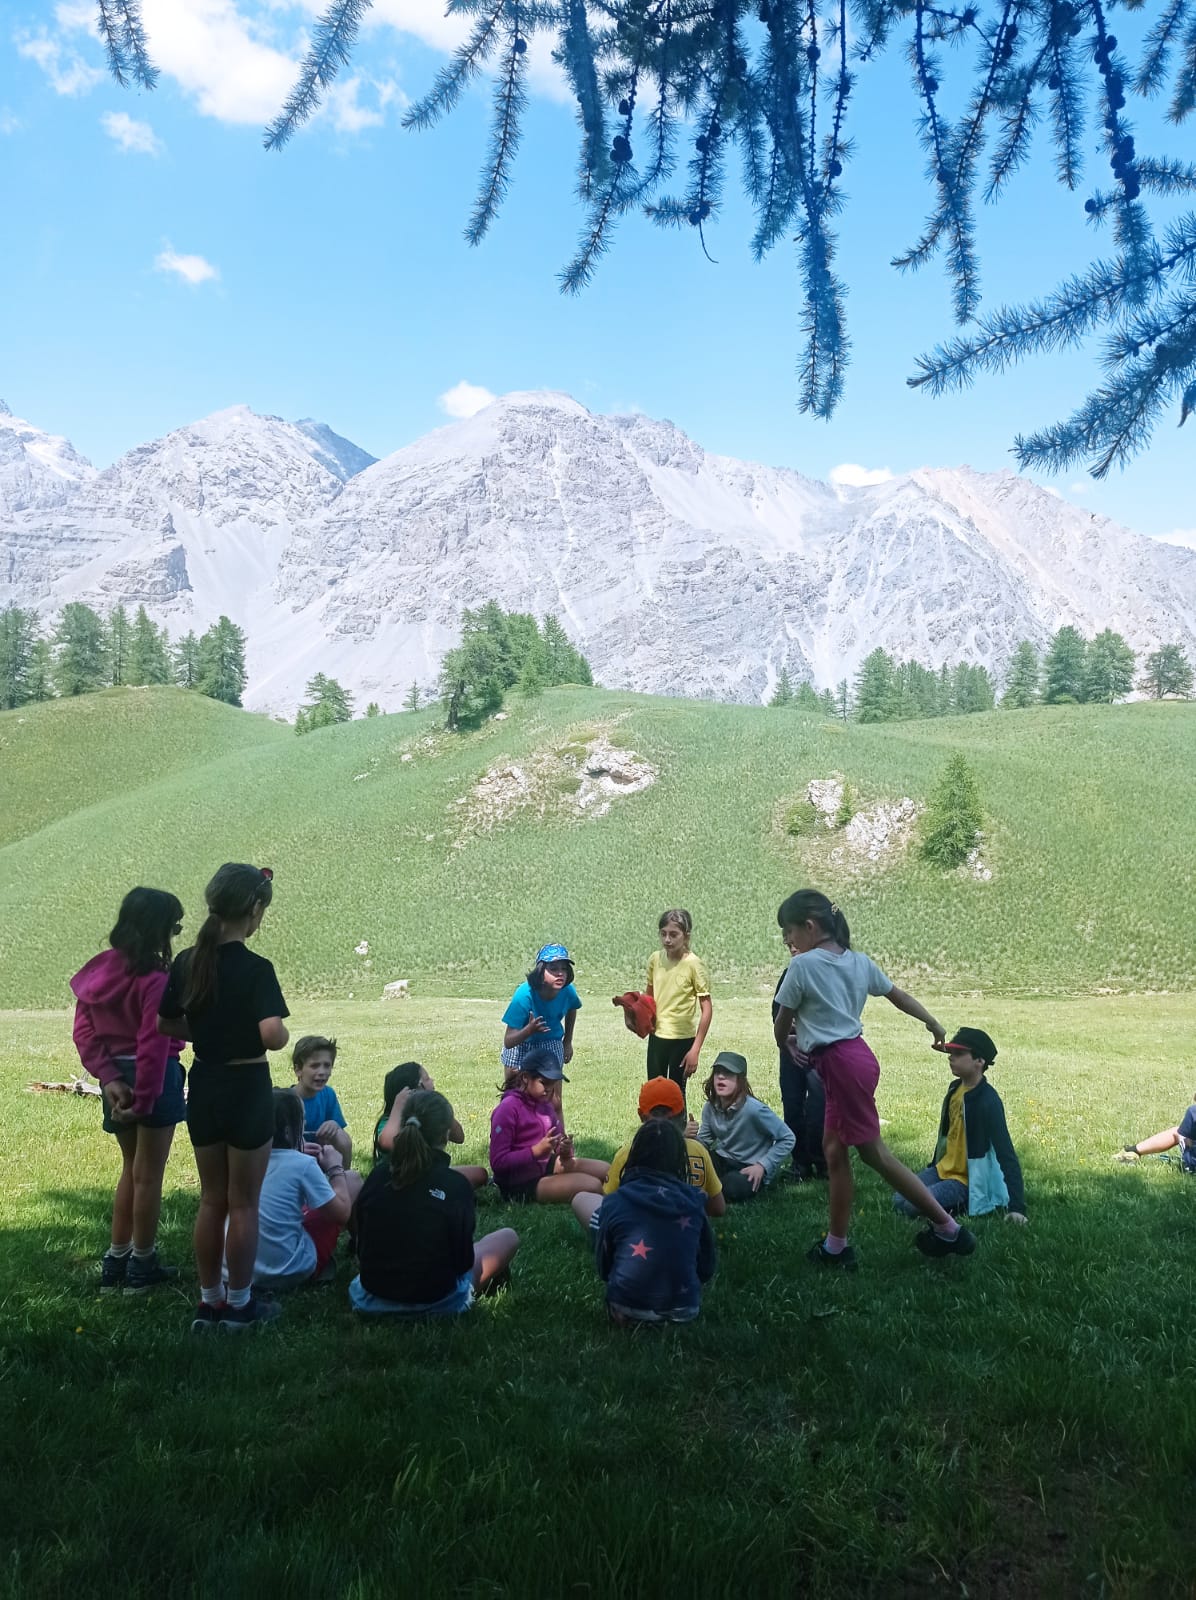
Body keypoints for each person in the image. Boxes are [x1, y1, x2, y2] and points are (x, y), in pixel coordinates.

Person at [772, 888, 977, 1268]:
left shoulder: (802, 966)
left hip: (840, 1067)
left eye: (788, 931)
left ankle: (948, 1229)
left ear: (810, 926)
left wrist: (785, 1040)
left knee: (875, 1155)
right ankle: (836, 1247)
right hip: (856, 1060)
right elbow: (897, 995)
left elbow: (782, 1021)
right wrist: (932, 1021)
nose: (787, 940)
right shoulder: (859, 962)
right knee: (834, 1152)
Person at [158, 862, 290, 1331]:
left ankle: (208, 1300)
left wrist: (209, 1031)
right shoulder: (257, 969)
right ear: (254, 909)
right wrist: (278, 1034)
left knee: (211, 1199)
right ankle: (240, 1304)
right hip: (247, 1087)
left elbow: (167, 1022)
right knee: (243, 1203)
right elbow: (272, 1035)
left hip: (206, 1083)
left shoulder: (188, 961)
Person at [70, 886, 187, 1294]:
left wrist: (108, 1079)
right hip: (153, 1080)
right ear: (159, 930)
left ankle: (115, 1261)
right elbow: (153, 1043)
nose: (175, 935)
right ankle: (142, 1266)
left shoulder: (97, 970)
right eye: (174, 927)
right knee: (148, 1177)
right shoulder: (155, 978)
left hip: (115, 1081)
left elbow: (83, 1033)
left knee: (130, 1171)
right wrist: (145, 1099)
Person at [351, 1090, 519, 1316]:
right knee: (507, 1237)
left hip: (371, 1299)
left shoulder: (377, 1176)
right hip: (438, 1303)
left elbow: (361, 1244)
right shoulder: (456, 1185)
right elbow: (463, 1262)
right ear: (446, 1134)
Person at [892, 1028, 1028, 1225]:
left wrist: (1017, 1207)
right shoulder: (955, 1088)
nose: (951, 1058)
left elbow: (1006, 1153)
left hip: (965, 1181)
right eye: (950, 1054)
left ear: (979, 1061)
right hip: (942, 1170)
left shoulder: (988, 1101)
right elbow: (947, 1136)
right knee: (899, 1199)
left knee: (913, 1206)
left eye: (958, 1054)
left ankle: (965, 1202)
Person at [594, 1119, 717, 1326]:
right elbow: (706, 1265)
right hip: (685, 1309)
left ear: (634, 1154)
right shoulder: (695, 1200)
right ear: (679, 1159)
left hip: (626, 1307)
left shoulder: (615, 1200)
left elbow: (604, 1266)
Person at [572, 1077, 726, 1231]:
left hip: (634, 1240)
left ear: (641, 1115)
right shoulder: (698, 1150)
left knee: (581, 1199)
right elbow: (718, 1208)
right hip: (686, 1234)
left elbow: (609, 1204)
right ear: (682, 1114)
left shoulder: (628, 1153)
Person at [254, 1089, 361, 1290]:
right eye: (301, 1123)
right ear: (288, 1131)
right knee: (352, 1179)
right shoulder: (302, 1165)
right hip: (289, 1271)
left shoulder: (244, 1160)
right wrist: (335, 1167)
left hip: (240, 1272)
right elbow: (341, 1213)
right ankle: (360, 1249)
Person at [489, 1051, 608, 1203]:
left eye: (552, 1084)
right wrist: (536, 1151)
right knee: (592, 1185)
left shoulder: (545, 1104)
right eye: (544, 1082)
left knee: (608, 1171)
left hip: (543, 1165)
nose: (549, 1089)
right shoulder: (508, 1109)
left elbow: (558, 1144)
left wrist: (564, 1149)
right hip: (517, 1184)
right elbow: (498, 1162)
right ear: (525, 1078)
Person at [696, 1052, 795, 1202]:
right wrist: (688, 1137)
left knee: (731, 1187)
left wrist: (762, 1166)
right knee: (692, 1166)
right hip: (723, 1159)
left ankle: (714, 1188)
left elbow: (788, 1138)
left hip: (749, 1166)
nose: (721, 1077)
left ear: (740, 1080)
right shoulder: (710, 1107)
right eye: (717, 1073)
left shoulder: (754, 1110)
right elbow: (703, 1142)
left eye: (728, 1073)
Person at [373, 1061, 488, 1188]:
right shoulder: (389, 1122)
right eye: (427, 1079)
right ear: (417, 1088)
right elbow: (386, 1143)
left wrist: (437, 1104)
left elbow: (459, 1137)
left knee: (480, 1174)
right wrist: (398, 1105)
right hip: (397, 1179)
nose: (432, 1081)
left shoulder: (427, 1115)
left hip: (429, 1175)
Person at [644, 909, 712, 1094]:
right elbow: (648, 998)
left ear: (686, 936)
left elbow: (706, 1009)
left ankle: (678, 1125)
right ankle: (656, 1124)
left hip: (682, 1040)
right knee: (654, 1091)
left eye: (674, 934)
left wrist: (695, 1050)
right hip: (657, 1037)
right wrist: (638, 1016)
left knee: (676, 1094)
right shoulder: (655, 959)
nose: (667, 939)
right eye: (663, 934)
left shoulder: (694, 965)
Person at [773, 953, 827, 1182]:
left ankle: (823, 1162)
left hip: (818, 1054)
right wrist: (787, 1043)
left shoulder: (825, 975)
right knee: (792, 1107)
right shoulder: (789, 974)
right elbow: (777, 1015)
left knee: (819, 1110)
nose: (792, 947)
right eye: (788, 943)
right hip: (791, 1055)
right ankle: (800, 1162)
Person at [500, 943, 581, 1083]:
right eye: (553, 969)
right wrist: (529, 1030)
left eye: (564, 968)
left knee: (553, 1099)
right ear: (540, 971)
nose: (560, 973)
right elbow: (509, 1041)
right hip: (521, 1044)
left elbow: (572, 1008)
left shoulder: (568, 991)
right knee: (514, 1093)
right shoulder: (524, 994)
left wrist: (567, 1042)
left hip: (551, 1041)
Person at [291, 1035, 353, 1166]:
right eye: (314, 1066)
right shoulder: (287, 1100)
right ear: (298, 1070)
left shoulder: (328, 1094)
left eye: (327, 1065)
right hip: (294, 1161)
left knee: (342, 1136)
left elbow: (339, 1136)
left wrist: (334, 1125)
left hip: (322, 1157)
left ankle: (343, 1176)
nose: (322, 1072)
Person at [1114, 1101, 1196, 1171]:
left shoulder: (1193, 1111)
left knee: (1177, 1132)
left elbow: (1188, 1141)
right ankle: (1133, 1151)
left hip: (1193, 1166)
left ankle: (1132, 1151)